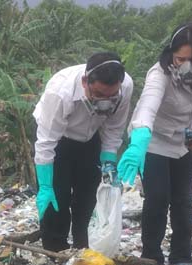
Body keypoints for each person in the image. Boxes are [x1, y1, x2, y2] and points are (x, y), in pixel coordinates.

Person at [117, 22, 192, 265]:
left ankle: (182, 256)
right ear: (172, 54)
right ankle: (151, 257)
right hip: (154, 139)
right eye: (180, 58)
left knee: (183, 200)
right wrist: (138, 142)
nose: (186, 64)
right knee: (156, 198)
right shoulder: (161, 73)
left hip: (186, 141)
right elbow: (147, 108)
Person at [33, 52, 133, 251]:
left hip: (92, 135)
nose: (105, 100)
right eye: (99, 95)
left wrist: (109, 161)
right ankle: (55, 250)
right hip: (59, 138)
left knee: (89, 195)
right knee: (57, 196)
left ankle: (84, 247)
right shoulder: (60, 92)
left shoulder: (125, 87)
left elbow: (114, 128)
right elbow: (46, 144)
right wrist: (45, 184)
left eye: (110, 96)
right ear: (85, 82)